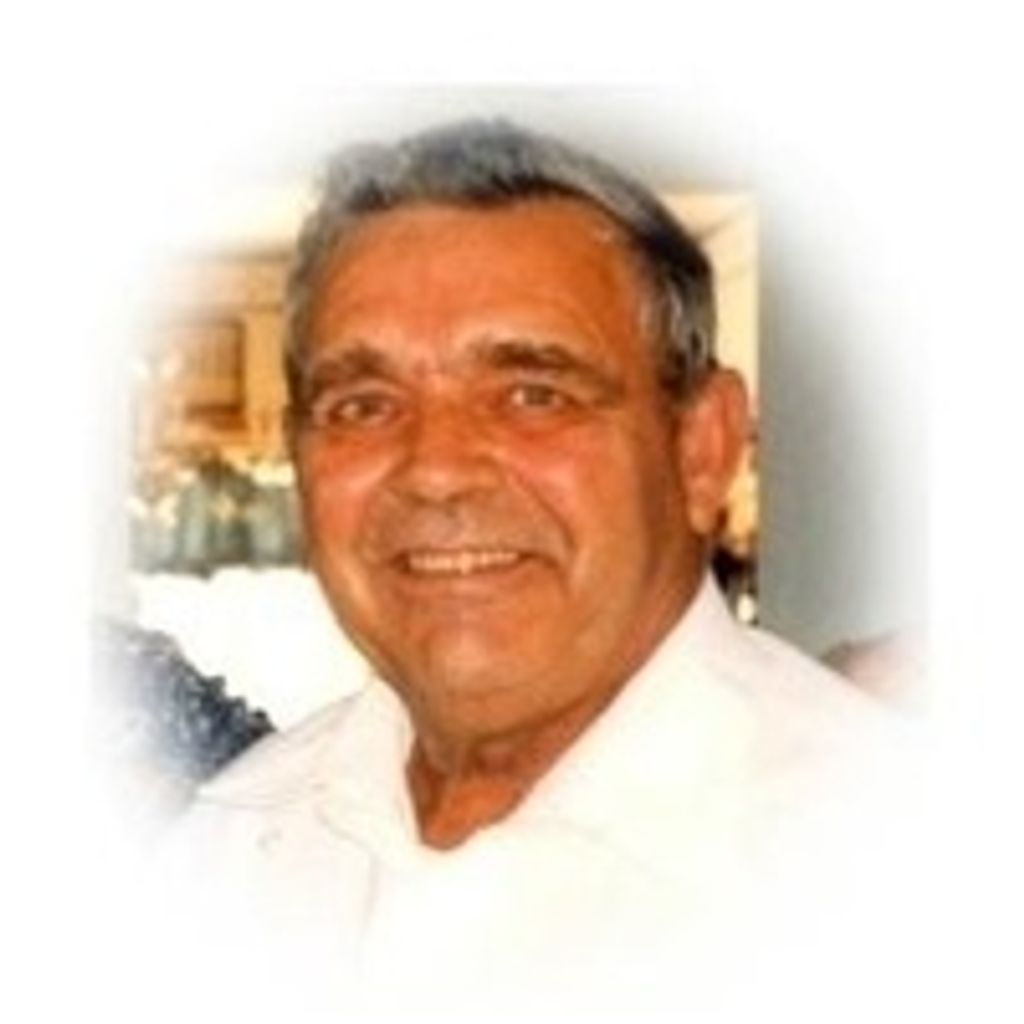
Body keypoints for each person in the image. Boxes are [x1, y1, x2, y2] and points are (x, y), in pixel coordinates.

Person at [157, 120, 916, 1022]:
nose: (436, 470)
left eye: (533, 395)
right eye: (363, 405)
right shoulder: (231, 842)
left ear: (702, 450)